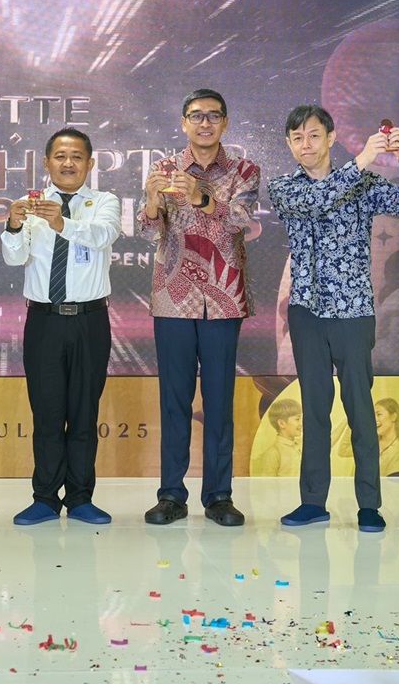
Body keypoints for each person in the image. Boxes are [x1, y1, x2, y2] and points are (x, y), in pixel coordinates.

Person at [267, 104, 399, 533]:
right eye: (297, 138)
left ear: (331, 137)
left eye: (314, 135)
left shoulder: (364, 182)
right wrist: (361, 161)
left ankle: (369, 505)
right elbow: (320, 201)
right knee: (314, 408)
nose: (306, 145)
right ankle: (312, 502)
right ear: (289, 144)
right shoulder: (285, 187)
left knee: (360, 408)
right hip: (306, 312)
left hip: (354, 311)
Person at [138, 87, 260, 527]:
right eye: (196, 115)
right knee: (174, 401)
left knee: (219, 401)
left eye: (213, 116)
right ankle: (171, 494)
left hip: (223, 301)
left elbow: (242, 221)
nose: (204, 123)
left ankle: (219, 496)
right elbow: (148, 231)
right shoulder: (163, 169)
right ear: (183, 122)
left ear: (225, 123)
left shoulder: (245, 170)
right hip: (173, 298)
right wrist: (153, 203)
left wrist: (201, 197)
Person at [1, 128, 122, 526]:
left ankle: (81, 498)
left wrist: (62, 222)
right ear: (46, 162)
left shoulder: (103, 202)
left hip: (90, 320)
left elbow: (103, 236)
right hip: (44, 321)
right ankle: (45, 498)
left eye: (76, 156)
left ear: (89, 163)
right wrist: (13, 225)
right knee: (47, 413)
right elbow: (13, 258)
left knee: (84, 412)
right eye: (60, 156)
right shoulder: (31, 205)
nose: (68, 163)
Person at [336, 398, 399, 476]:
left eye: (379, 414)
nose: (374, 419)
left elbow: (392, 482)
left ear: (393, 417)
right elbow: (343, 451)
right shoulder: (370, 441)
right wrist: (353, 422)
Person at [252, 399, 303, 477]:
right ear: (282, 423)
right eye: (297, 419)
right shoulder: (273, 453)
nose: (301, 424)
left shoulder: (300, 446)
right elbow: (267, 483)